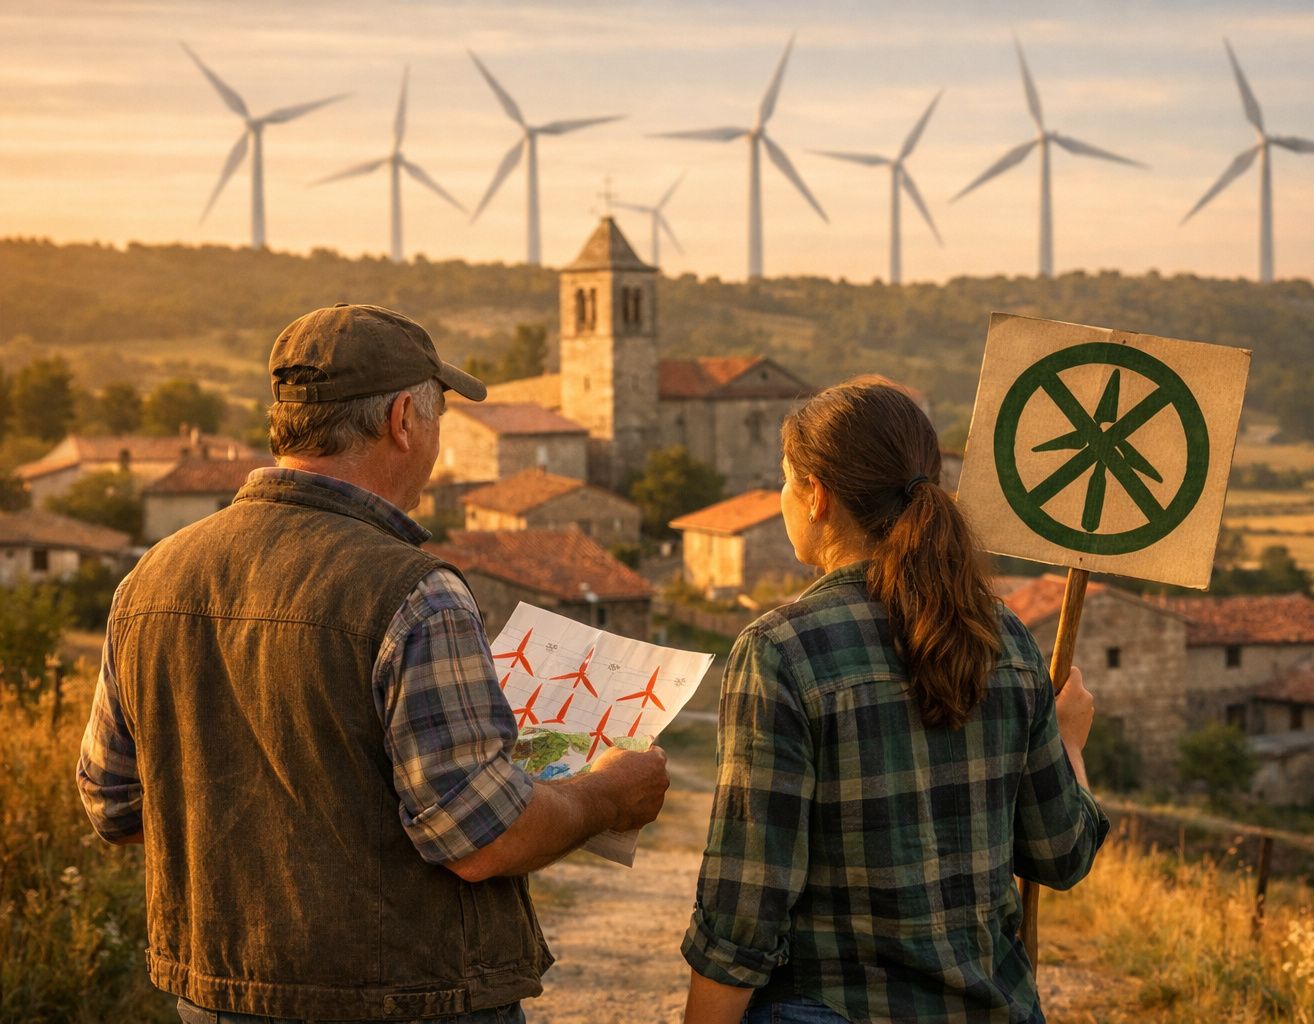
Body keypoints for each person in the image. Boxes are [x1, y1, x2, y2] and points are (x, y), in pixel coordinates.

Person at [77, 303, 670, 1023]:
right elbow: (478, 837)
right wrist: (606, 796)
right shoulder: (416, 594)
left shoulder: (151, 581)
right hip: (405, 999)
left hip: (215, 993)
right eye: (440, 417)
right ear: (403, 420)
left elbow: (114, 801)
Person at [680, 377, 1108, 1024]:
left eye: (784, 479)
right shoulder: (1008, 638)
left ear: (816, 496)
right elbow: (1063, 853)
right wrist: (1071, 743)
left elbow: (746, 904)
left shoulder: (779, 651)